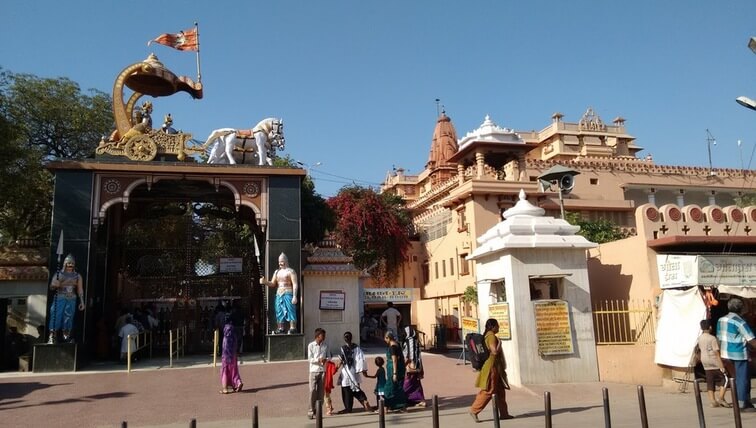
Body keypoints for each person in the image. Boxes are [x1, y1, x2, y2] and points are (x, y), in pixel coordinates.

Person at [716, 297, 756, 412]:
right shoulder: (740, 322)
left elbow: (719, 337)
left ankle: (739, 400)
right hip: (738, 354)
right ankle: (743, 403)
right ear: (741, 308)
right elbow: (751, 339)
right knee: (742, 379)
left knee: (734, 378)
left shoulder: (721, 320)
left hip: (725, 354)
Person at [469, 318, 513, 422]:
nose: (499, 327)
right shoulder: (491, 336)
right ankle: (474, 410)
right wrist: (500, 344)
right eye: (497, 326)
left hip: (496, 367)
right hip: (491, 367)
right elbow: (494, 351)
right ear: (493, 327)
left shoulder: (488, 335)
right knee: (489, 390)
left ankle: (504, 413)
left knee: (500, 391)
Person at [47, 254, 85, 344]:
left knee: (68, 317)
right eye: (68, 263)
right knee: (56, 315)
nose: (70, 265)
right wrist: (54, 285)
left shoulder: (77, 276)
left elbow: (80, 289)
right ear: (65, 264)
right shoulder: (59, 274)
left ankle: (66, 336)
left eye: (72, 263)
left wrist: (82, 301)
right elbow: (51, 287)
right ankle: (52, 336)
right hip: (60, 297)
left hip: (71, 298)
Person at [696, 319, 731, 408]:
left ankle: (712, 401)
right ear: (710, 327)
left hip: (705, 361)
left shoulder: (700, 338)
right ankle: (721, 398)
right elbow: (716, 353)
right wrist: (721, 365)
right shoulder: (712, 338)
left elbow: (697, 350)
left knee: (710, 381)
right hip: (713, 361)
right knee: (725, 378)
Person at [262, 252, 299, 334]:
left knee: (290, 310)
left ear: (286, 261)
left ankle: (293, 327)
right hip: (279, 293)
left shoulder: (291, 271)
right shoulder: (276, 272)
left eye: (282, 261)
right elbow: (272, 283)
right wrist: (265, 282)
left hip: (288, 292)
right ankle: (280, 328)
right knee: (279, 311)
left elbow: (295, 284)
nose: (280, 263)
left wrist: (294, 296)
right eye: (279, 261)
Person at [337, 331, 374, 414]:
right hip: (355, 372)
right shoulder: (357, 348)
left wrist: (334, 368)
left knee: (346, 390)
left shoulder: (343, 348)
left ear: (344, 339)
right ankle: (364, 400)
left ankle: (348, 408)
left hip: (346, 372)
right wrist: (363, 371)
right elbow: (361, 359)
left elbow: (340, 361)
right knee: (355, 388)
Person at [382, 331, 407, 412]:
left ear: (388, 338)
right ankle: (400, 406)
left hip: (393, 369)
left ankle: (386, 406)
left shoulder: (392, 347)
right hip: (400, 368)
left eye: (385, 338)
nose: (385, 340)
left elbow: (394, 360)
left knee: (388, 387)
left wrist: (394, 373)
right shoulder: (397, 344)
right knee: (398, 387)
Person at [402, 326, 426, 407]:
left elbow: (411, 354)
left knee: (407, 383)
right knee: (415, 383)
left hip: (411, 365)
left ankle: (403, 399)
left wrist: (408, 364)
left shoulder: (410, 340)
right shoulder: (413, 340)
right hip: (414, 365)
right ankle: (419, 400)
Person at [307, 328, 328, 420]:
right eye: (322, 335)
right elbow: (309, 359)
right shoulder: (311, 345)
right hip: (313, 370)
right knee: (312, 391)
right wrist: (317, 360)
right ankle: (311, 410)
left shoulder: (325, 345)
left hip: (322, 370)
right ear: (318, 336)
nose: (324, 337)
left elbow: (329, 356)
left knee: (320, 392)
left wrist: (325, 359)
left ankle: (318, 410)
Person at [219, 315, 243, 394]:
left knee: (225, 371)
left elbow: (225, 346)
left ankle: (225, 388)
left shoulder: (226, 332)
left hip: (226, 355)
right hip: (233, 354)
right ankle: (238, 382)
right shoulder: (233, 331)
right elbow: (236, 343)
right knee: (234, 370)